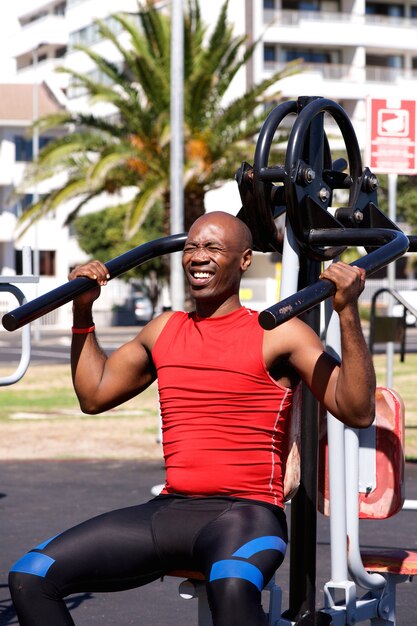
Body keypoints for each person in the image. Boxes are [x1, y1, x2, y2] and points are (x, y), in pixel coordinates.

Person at [9, 211, 375, 626]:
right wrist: (82, 313)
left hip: (247, 514)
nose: (198, 257)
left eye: (213, 248)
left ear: (245, 260)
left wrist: (347, 312)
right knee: (30, 575)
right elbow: (94, 395)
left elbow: (357, 410)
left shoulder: (279, 332)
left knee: (232, 585)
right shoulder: (164, 329)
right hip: (170, 511)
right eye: (191, 247)